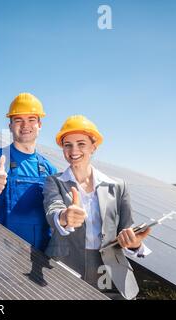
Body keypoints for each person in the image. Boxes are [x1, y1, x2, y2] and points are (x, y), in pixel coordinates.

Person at [43, 115, 151, 299]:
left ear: (94, 146)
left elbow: (127, 228)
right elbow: (53, 209)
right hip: (65, 265)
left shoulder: (118, 186)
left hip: (109, 269)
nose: (73, 150)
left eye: (81, 143)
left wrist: (134, 243)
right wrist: (64, 217)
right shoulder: (54, 181)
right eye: (67, 144)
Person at [0, 93, 57, 251]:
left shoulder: (49, 168)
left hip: (39, 254)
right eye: (18, 120)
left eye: (31, 119)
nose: (25, 126)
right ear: (10, 125)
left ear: (40, 124)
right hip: (2, 252)